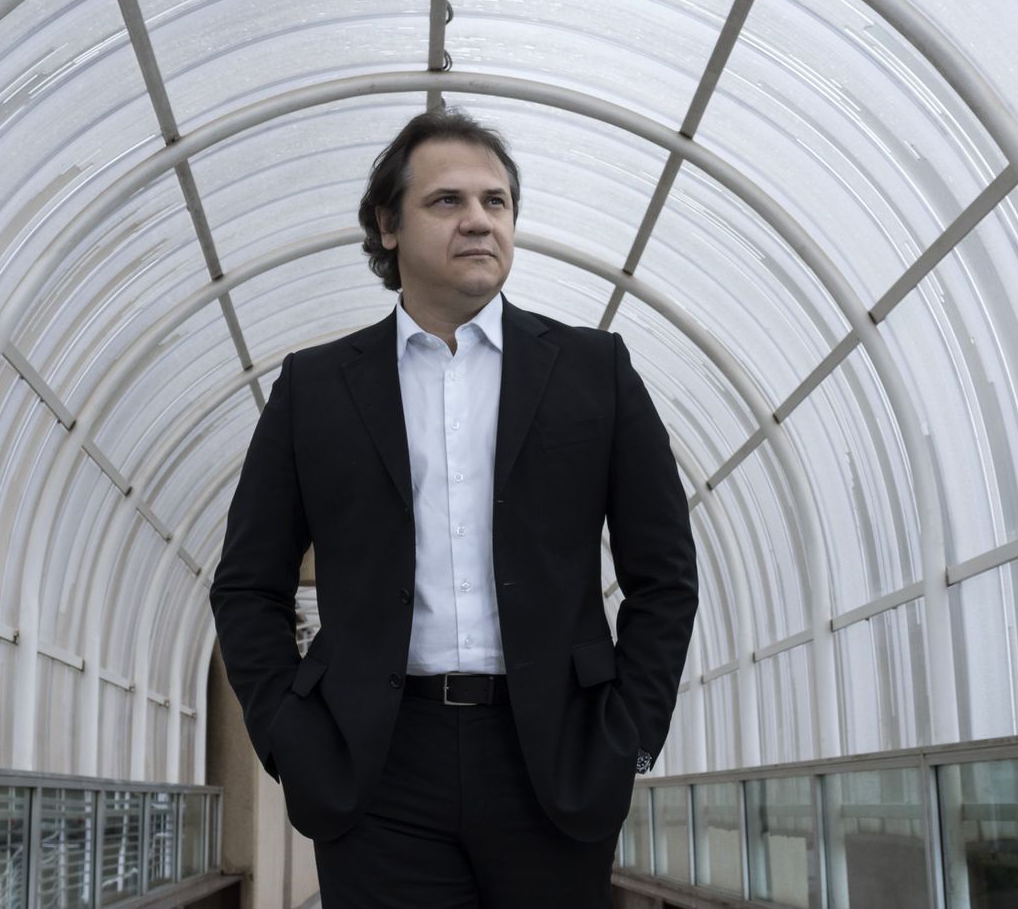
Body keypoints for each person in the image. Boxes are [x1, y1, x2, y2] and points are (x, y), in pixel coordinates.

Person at [209, 107, 698, 907]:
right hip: (376, 767)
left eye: (495, 201)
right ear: (387, 225)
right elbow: (247, 584)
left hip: (557, 758)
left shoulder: (594, 371)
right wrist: (290, 736)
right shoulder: (315, 389)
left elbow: (665, 574)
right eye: (447, 201)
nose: (478, 220)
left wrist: (630, 735)